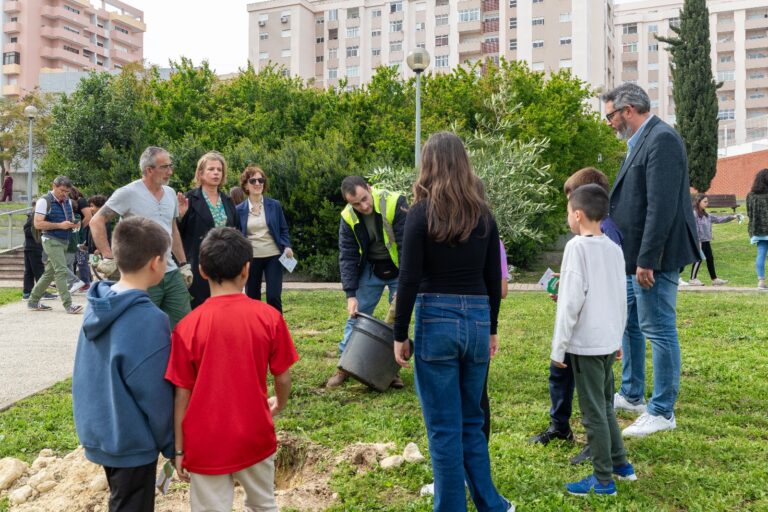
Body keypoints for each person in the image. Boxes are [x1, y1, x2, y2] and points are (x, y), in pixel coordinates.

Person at [393, 132, 513, 512]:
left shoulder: (419, 214)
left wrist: (399, 333)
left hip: (436, 320)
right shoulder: (484, 215)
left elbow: (409, 278)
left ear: (428, 164)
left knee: (444, 429)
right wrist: (492, 328)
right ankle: (491, 505)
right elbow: (494, 278)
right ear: (464, 163)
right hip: (477, 320)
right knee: (471, 422)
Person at [166, 227, 299, 512]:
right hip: (254, 433)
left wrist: (178, 449)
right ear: (247, 270)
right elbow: (283, 376)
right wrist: (280, 403)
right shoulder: (269, 317)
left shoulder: (187, 327)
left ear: (202, 271)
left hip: (205, 442)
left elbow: (181, 395)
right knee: (263, 505)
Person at [602, 83, 700, 437]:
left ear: (628, 110)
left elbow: (661, 207)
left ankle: (662, 410)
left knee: (658, 328)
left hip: (653, 257)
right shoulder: (639, 143)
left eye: (611, 115)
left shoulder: (662, 140)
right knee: (629, 324)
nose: (609, 123)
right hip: (634, 256)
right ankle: (631, 393)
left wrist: (648, 260)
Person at [72, 217, 174, 512]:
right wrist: (172, 445)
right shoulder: (150, 319)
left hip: (100, 430)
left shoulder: (98, 302)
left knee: (121, 500)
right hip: (131, 440)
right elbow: (154, 393)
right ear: (156, 263)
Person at [529, 167, 623, 466]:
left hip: (585, 339)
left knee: (595, 404)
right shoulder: (606, 246)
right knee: (590, 396)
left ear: (580, 212)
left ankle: (602, 464)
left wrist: (559, 347)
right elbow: (614, 292)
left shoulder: (584, 244)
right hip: (602, 338)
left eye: (569, 206)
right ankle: (570, 432)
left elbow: (576, 301)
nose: (567, 215)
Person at [551, 184, 636, 496]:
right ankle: (621, 464)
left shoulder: (576, 248)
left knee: (593, 413)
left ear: (577, 215)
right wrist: (618, 340)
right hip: (607, 343)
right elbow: (620, 298)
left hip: (585, 345)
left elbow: (569, 303)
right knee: (605, 406)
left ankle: (602, 479)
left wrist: (558, 347)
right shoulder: (614, 249)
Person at [90, 146, 193, 328]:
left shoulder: (170, 193)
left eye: (170, 166)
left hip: (170, 272)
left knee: (184, 326)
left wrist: (183, 264)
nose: (170, 171)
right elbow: (96, 221)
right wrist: (108, 255)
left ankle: (176, 357)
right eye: (165, 167)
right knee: (143, 327)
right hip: (141, 274)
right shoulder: (128, 193)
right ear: (149, 170)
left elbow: (173, 230)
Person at [326, 176, 408, 389]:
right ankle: (343, 366)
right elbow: (348, 255)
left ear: (370, 188)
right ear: (348, 202)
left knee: (398, 319)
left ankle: (391, 371)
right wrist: (351, 295)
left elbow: (407, 245)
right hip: (371, 268)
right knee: (356, 314)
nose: (363, 206)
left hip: (399, 268)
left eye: (365, 199)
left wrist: (407, 283)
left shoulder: (394, 202)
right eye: (356, 203)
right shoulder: (347, 216)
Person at [177, 152, 238, 308]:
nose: (216, 172)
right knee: (201, 307)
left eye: (219, 169)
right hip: (200, 263)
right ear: (200, 173)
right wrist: (180, 217)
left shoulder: (228, 200)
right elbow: (177, 234)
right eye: (211, 169)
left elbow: (238, 231)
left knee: (225, 307)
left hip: (227, 262)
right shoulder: (188, 199)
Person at [235, 166, 293, 313]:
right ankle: (256, 331)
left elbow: (283, 229)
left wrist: (287, 246)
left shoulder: (274, 205)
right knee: (252, 298)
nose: (257, 183)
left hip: (273, 255)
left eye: (260, 180)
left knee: (273, 296)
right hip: (251, 258)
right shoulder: (239, 210)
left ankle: (277, 330)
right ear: (246, 185)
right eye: (253, 180)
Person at [26, 175, 83, 314]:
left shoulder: (67, 202)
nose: (64, 194)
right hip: (51, 240)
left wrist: (74, 222)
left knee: (49, 273)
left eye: (67, 192)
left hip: (64, 241)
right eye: (62, 190)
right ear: (54, 186)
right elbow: (38, 223)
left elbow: (68, 221)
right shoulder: (44, 201)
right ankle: (68, 305)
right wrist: (60, 225)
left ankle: (33, 301)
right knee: (61, 271)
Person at [683, 194, 740, 286]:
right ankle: (692, 279)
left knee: (710, 258)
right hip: (699, 241)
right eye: (705, 201)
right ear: (698, 202)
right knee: (698, 258)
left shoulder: (707, 215)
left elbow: (719, 219)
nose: (707, 203)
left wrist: (732, 217)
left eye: (707, 201)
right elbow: (691, 228)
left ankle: (714, 279)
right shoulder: (694, 214)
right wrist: (697, 240)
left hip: (706, 240)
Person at [22, 202, 57, 301]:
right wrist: (41, 233)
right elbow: (27, 231)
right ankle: (41, 292)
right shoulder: (34, 217)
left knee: (29, 271)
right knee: (38, 270)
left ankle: (27, 292)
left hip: (30, 247)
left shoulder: (33, 217)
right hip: (33, 247)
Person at [747, 168, 768, 290]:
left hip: (758, 230)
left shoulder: (751, 196)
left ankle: (761, 281)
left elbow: (750, 213)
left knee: (761, 254)